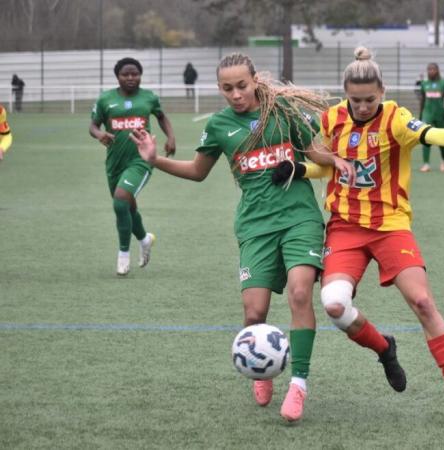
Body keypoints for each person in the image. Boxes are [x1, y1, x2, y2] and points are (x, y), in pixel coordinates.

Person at [275, 47, 444, 422]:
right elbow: (329, 168)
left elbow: (434, 133)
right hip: (345, 227)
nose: (363, 106)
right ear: (345, 93)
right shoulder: (332, 119)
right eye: (355, 99)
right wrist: (299, 170)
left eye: (370, 99)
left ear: (383, 92)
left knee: (422, 303)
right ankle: (384, 348)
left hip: (391, 227)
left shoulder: (396, 119)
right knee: (335, 306)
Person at [129, 52, 353, 423]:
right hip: (254, 226)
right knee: (254, 313)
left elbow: (312, 148)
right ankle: (261, 369)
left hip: (299, 219)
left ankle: (298, 383)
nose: (235, 94)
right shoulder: (219, 125)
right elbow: (198, 171)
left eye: (242, 86)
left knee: (300, 292)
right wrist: (154, 160)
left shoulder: (282, 111)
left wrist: (335, 160)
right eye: (227, 88)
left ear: (255, 81)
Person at [89, 57, 176, 276]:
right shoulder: (105, 100)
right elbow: (93, 126)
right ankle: (145, 239)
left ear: (140, 75)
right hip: (115, 162)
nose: (130, 78)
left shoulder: (149, 97)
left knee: (120, 202)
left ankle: (123, 255)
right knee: (127, 207)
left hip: (141, 159)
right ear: (117, 76)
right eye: (125, 74)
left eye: (135, 73)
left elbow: (162, 117)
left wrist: (171, 137)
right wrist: (100, 134)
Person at [419, 63, 444, 172]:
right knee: (425, 138)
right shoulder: (424, 84)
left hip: (440, 114)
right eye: (429, 69)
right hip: (427, 114)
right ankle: (426, 164)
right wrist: (421, 113)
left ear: (437, 70)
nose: (430, 71)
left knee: (442, 139)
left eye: (433, 69)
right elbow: (422, 99)